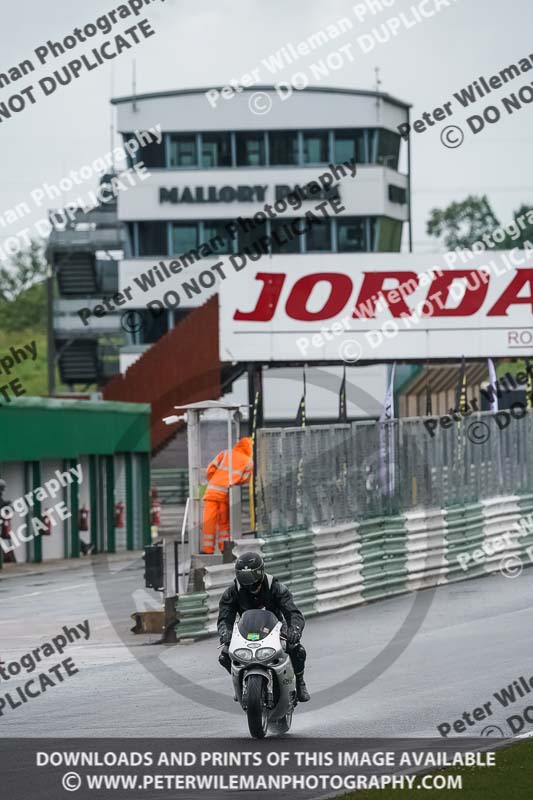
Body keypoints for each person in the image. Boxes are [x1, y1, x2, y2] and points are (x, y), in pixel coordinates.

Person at [217, 551, 310, 702]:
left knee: (297, 650)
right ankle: (240, 683)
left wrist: (295, 629)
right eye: (245, 579)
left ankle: (300, 683)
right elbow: (224, 618)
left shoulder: (277, 587)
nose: (250, 584)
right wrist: (225, 632)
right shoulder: (232, 592)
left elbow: (293, 612)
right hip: (246, 630)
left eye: (253, 578)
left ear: (261, 572)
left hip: (277, 628)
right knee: (225, 655)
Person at [201, 437, 253, 555]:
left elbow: (210, 470)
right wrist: (232, 482)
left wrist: (214, 480)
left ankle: (207, 550)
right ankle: (224, 548)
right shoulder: (249, 462)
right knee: (224, 523)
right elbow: (244, 479)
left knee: (209, 521)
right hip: (226, 494)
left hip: (212, 493)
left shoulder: (225, 454)